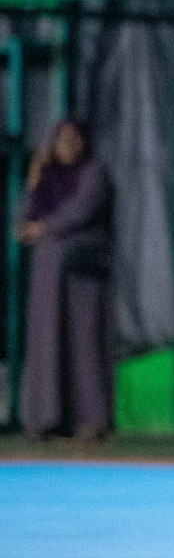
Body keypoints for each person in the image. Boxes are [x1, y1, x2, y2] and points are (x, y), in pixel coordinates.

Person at [16, 120, 113, 441]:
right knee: (46, 343)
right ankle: (43, 418)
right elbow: (23, 220)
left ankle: (91, 421)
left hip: (81, 275)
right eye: (62, 140)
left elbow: (80, 212)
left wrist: (44, 229)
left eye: (74, 140)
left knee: (83, 343)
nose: (68, 146)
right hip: (47, 279)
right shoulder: (47, 178)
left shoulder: (94, 174)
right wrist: (34, 178)